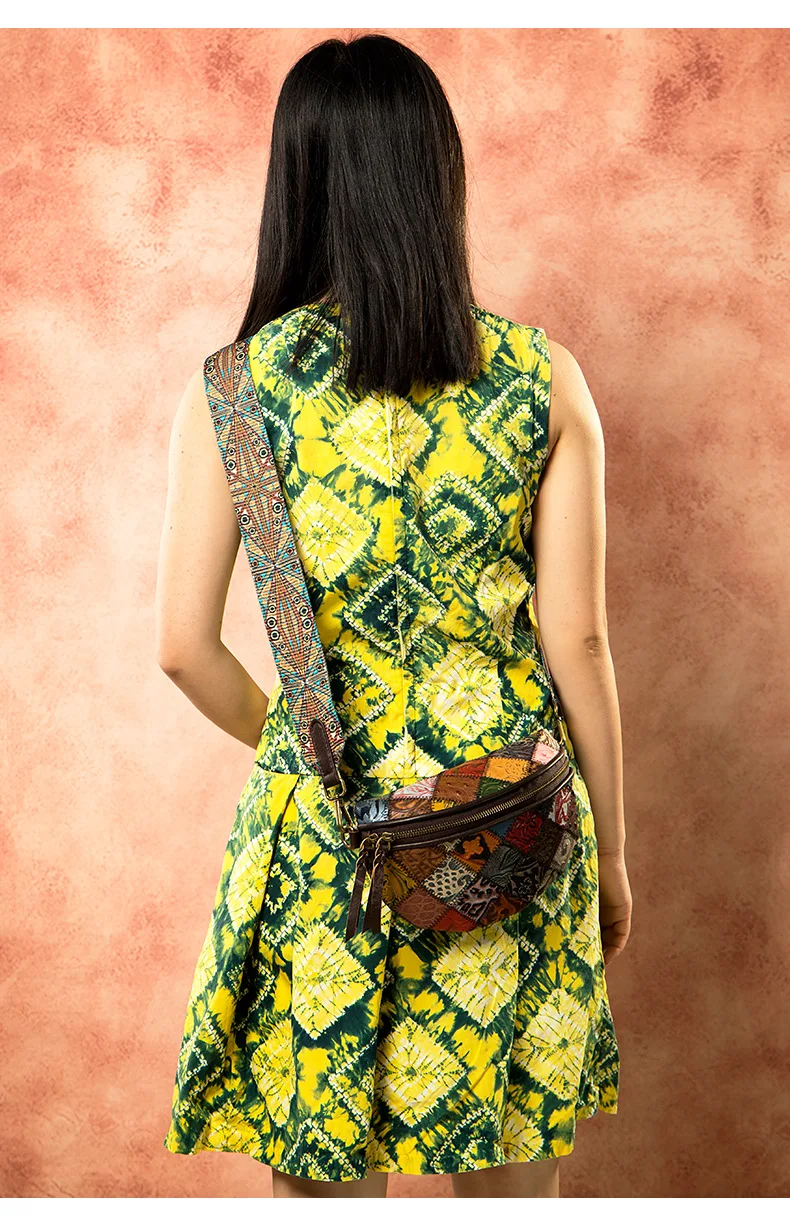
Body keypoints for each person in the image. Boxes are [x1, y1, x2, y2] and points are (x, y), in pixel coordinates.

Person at [155, 32, 632, 1200]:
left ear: (295, 183)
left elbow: (182, 648)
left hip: (331, 837)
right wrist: (614, 850)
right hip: (507, 820)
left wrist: (299, 743)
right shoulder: (542, 377)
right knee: (510, 1174)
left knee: (327, 1175)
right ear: (435, 174)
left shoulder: (234, 390)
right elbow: (577, 639)